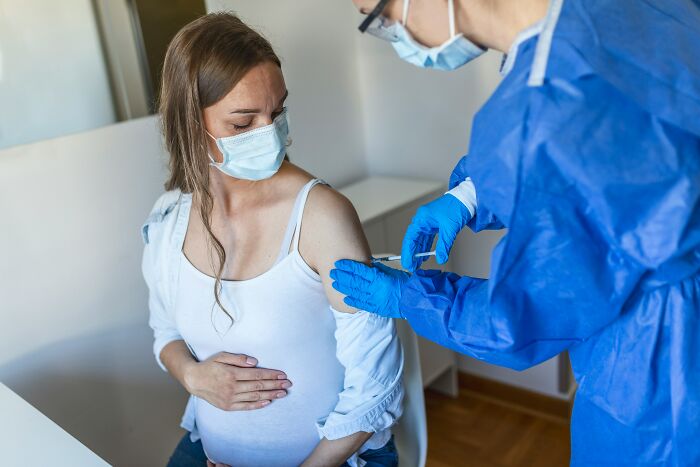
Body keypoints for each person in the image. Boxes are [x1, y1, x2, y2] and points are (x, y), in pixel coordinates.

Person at [331, 0, 700, 465]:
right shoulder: (635, 9)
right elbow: (619, 156)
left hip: (667, 376)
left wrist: (411, 298)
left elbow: (517, 318)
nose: (392, 33)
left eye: (379, 16)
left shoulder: (541, 102)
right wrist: (469, 196)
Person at [141, 13, 403, 467]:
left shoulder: (322, 217)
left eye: (277, 113)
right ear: (187, 123)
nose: (270, 135)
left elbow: (376, 389)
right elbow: (165, 334)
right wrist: (192, 376)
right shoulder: (167, 223)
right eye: (243, 124)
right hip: (208, 452)